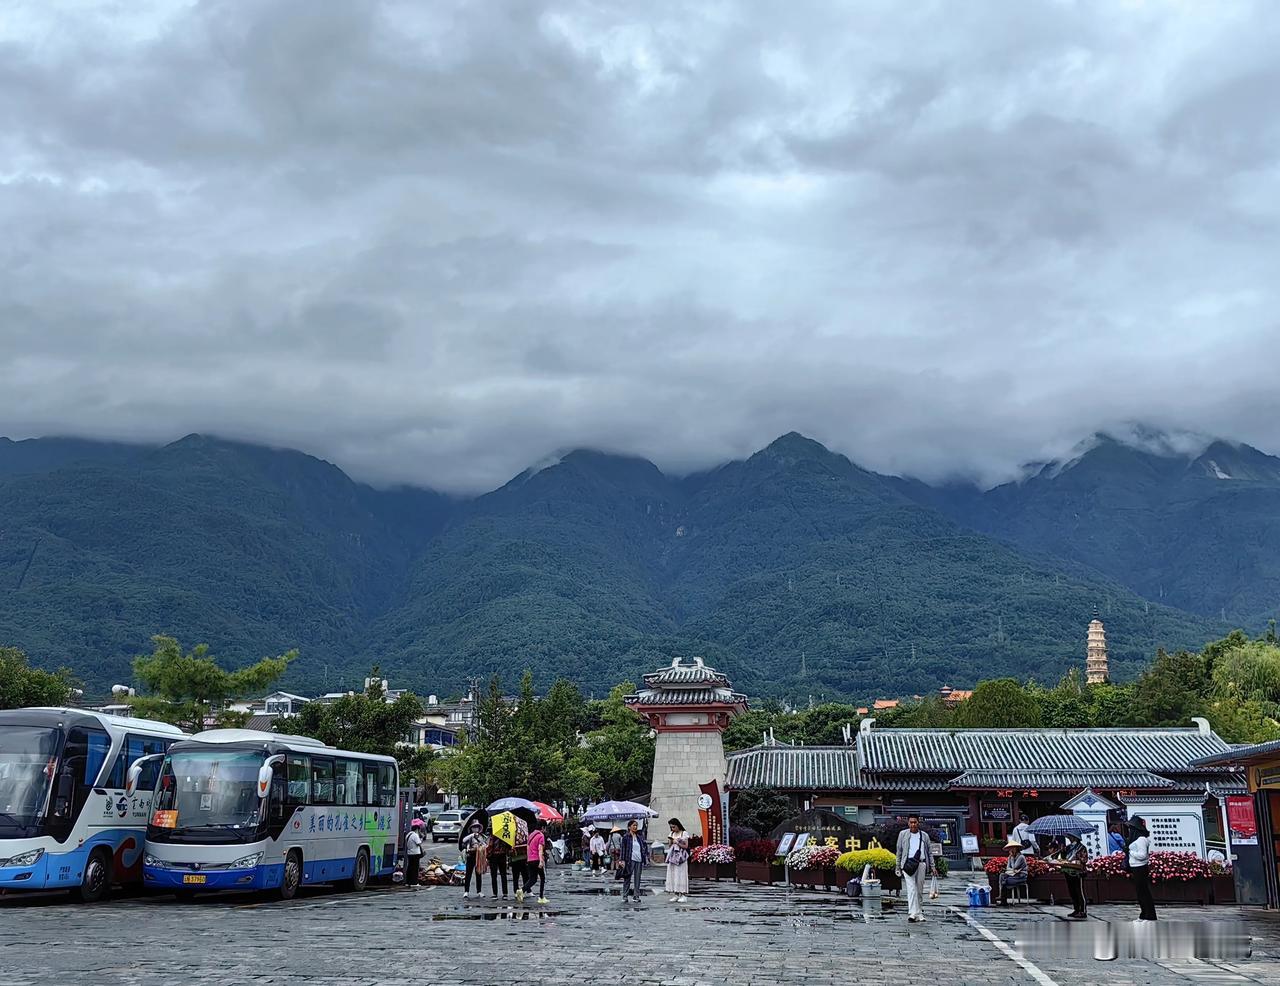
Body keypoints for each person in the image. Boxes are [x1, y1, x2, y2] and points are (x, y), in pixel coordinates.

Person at [895, 814, 935, 921]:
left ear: (918, 823)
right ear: (908, 823)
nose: (913, 824)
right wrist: (898, 867)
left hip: (921, 864)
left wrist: (933, 867)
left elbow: (929, 852)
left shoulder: (924, 836)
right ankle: (912, 913)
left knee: (919, 889)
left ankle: (919, 912)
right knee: (911, 888)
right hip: (908, 865)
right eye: (911, 822)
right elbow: (899, 851)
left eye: (915, 822)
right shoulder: (903, 834)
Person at [1045, 833, 1089, 918]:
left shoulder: (1082, 847)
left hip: (1078, 872)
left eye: (1071, 837)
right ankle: (1076, 909)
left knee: (1079, 891)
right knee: (1072, 891)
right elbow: (1064, 858)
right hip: (1068, 871)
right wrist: (1063, 851)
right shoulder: (1068, 847)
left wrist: (1077, 859)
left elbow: (1084, 859)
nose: (1069, 838)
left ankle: (1083, 911)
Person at [1127, 816, 1157, 921]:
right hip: (1136, 867)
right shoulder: (1137, 839)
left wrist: (1130, 852)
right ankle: (1144, 914)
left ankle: (1149, 915)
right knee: (1140, 893)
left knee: (1144, 893)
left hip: (1140, 868)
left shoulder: (1141, 840)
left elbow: (1143, 855)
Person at [994, 837, 1028, 905]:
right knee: (1002, 876)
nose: (1011, 850)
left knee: (1005, 881)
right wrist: (1011, 860)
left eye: (1013, 848)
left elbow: (1014, 866)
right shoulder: (1010, 857)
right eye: (1010, 848)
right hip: (1012, 874)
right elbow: (1008, 868)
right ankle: (1002, 897)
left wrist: (1012, 858)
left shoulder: (1021, 857)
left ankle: (1003, 900)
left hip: (1020, 876)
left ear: (1016, 849)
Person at [620, 818, 646, 903]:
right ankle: (625, 895)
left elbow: (643, 847)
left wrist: (645, 857)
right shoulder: (626, 837)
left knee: (637, 879)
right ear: (629, 827)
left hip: (639, 859)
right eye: (633, 825)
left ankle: (636, 895)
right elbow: (623, 849)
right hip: (629, 860)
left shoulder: (639, 837)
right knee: (627, 878)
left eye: (636, 825)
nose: (635, 827)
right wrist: (622, 860)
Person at [665, 818, 689, 902]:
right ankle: (675, 893)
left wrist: (678, 842)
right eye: (671, 827)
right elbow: (669, 845)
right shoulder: (671, 833)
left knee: (681, 874)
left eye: (674, 827)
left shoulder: (684, 833)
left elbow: (686, 846)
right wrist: (671, 841)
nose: (672, 829)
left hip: (681, 856)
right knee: (673, 874)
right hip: (673, 856)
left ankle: (683, 894)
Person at [524, 819, 548, 904]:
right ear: (542, 827)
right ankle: (541, 897)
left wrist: (528, 858)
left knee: (532, 879)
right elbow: (540, 849)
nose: (545, 830)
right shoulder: (541, 835)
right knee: (542, 878)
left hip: (530, 859)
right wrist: (541, 861)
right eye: (545, 828)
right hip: (537, 859)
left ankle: (521, 890)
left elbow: (527, 848)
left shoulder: (531, 835)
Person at [462, 821, 487, 899]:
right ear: (471, 828)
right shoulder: (470, 836)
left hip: (479, 856)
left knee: (478, 874)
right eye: (474, 827)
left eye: (477, 827)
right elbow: (463, 840)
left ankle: (479, 891)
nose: (475, 829)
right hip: (471, 856)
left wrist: (481, 847)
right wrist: (472, 835)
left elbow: (485, 844)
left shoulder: (482, 836)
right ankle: (466, 891)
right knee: (468, 874)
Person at [486, 827, 511, 900]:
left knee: (494, 876)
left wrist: (487, 855)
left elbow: (490, 847)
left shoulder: (492, 837)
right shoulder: (504, 835)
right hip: (502, 856)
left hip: (494, 857)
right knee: (503, 875)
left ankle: (495, 894)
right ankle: (505, 893)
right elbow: (508, 846)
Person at [511, 820, 529, 902]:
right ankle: (516, 890)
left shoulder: (525, 835)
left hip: (523, 858)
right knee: (516, 876)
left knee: (525, 875)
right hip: (515, 858)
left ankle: (527, 890)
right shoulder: (510, 837)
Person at [404, 819, 425, 889]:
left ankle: (408, 882)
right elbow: (419, 843)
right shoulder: (415, 835)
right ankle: (414, 882)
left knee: (410, 868)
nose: (419, 831)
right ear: (417, 829)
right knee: (415, 869)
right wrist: (421, 837)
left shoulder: (408, 835)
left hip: (409, 853)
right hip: (415, 854)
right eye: (419, 830)